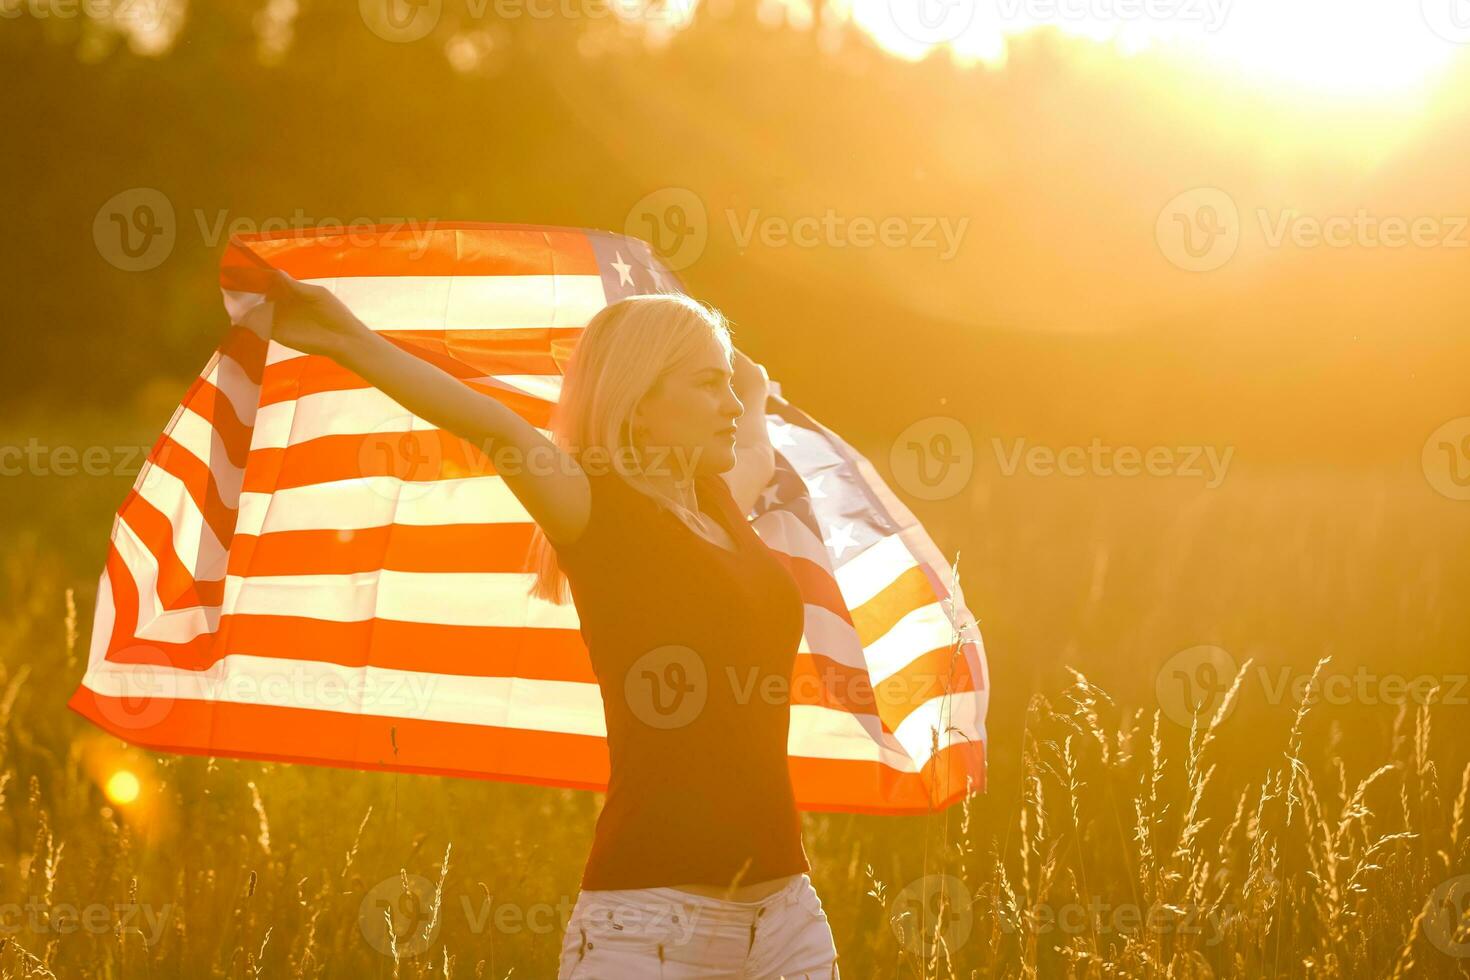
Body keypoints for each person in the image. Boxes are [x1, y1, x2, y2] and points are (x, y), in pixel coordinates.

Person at [260, 270, 842, 979]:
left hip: (786, 918)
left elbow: (755, 448)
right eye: (704, 386)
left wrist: (747, 388)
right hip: (649, 923)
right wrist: (346, 338)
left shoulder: (722, 504)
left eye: (723, 387)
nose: (725, 405)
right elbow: (489, 424)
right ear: (641, 405)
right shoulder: (593, 510)